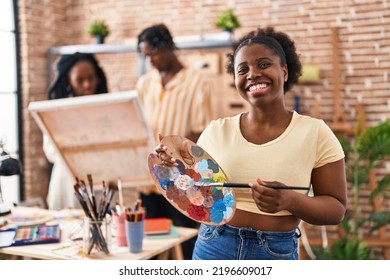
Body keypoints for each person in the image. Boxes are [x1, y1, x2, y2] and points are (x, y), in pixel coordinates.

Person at [155, 26, 347, 260]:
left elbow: (336, 209)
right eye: (242, 69)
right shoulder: (216, 131)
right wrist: (171, 170)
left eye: (264, 64)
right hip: (213, 245)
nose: (253, 74)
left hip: (275, 252)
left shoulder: (316, 132)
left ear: (284, 71)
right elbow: (195, 194)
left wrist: (290, 200)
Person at [136, 24, 214, 259]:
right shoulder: (144, 84)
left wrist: (176, 155)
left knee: (187, 243)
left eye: (153, 54)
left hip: (181, 180)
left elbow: (202, 134)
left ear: (168, 47)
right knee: (150, 248)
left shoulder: (197, 82)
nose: (150, 62)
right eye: (146, 56)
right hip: (148, 182)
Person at [44, 52, 108, 210]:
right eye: (80, 80)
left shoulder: (107, 109)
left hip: (98, 178)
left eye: (91, 78)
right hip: (66, 181)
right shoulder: (57, 111)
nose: (87, 85)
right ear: (69, 81)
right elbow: (50, 151)